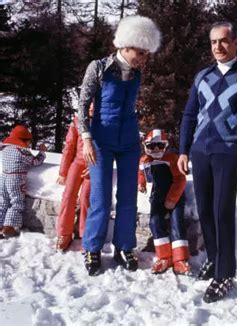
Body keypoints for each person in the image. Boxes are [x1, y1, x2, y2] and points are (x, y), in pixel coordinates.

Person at [178, 21, 237, 302]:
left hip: (229, 152)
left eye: (224, 41)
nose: (218, 46)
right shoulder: (203, 76)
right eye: (214, 42)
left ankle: (226, 273)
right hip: (200, 152)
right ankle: (215, 259)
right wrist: (183, 150)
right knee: (205, 210)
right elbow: (189, 116)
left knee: (222, 211)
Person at [77, 15, 161, 276]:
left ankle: (124, 247)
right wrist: (87, 139)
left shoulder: (137, 73)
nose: (143, 59)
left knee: (128, 198)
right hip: (101, 141)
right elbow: (82, 105)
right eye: (140, 52)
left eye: (147, 54)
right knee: (100, 198)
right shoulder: (100, 67)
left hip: (128, 143)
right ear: (126, 44)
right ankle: (91, 249)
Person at [138, 129, 190, 275]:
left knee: (177, 223)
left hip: (175, 196)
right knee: (155, 222)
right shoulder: (144, 161)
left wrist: (172, 199)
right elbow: (141, 173)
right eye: (151, 146)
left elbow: (180, 179)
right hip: (157, 196)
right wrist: (141, 183)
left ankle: (180, 259)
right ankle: (164, 256)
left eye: (160, 146)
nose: (155, 150)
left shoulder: (172, 159)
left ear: (166, 146)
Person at [55, 106, 93, 252]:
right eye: (89, 104)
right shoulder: (77, 121)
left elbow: (106, 148)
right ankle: (64, 233)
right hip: (77, 163)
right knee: (68, 195)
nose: (92, 108)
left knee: (85, 198)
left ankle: (86, 236)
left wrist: (97, 167)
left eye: (95, 104)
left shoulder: (104, 122)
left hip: (94, 165)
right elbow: (69, 146)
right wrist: (63, 171)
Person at [0, 125, 46, 239]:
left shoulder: (4, 149)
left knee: (3, 202)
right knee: (16, 203)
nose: (29, 144)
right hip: (16, 179)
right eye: (29, 141)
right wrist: (42, 152)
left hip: (3, 178)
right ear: (23, 140)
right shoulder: (22, 152)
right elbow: (36, 162)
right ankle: (9, 227)